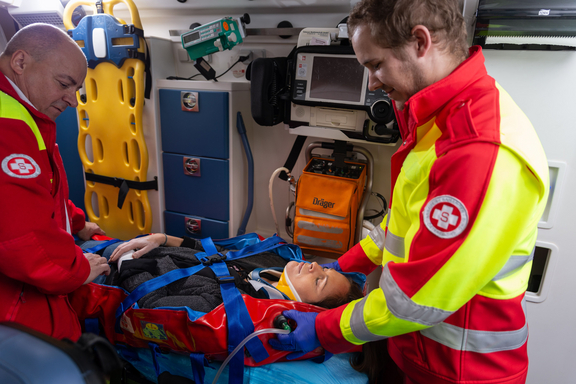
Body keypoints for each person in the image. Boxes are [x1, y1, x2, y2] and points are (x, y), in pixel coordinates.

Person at [269, 1, 550, 384]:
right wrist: (350, 264)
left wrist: (322, 330)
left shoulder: (477, 150)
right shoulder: (440, 118)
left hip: (462, 370)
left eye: (375, 65)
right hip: (419, 353)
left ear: (420, 42)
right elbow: (404, 225)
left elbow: (416, 300)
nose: (374, 83)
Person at [0, 23, 110, 341]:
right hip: (13, 310)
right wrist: (76, 270)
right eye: (64, 84)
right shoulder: (7, 126)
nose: (72, 100)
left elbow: (35, 192)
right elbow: (21, 240)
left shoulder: (24, 113)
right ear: (20, 62)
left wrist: (76, 222)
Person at [105, 233, 364, 312]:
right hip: (143, 247)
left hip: (114, 276)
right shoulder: (271, 261)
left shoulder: (229, 304)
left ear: (304, 307)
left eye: (319, 281)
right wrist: (161, 238)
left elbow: (151, 304)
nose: (315, 266)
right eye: (324, 269)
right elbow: (216, 251)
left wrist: (129, 260)